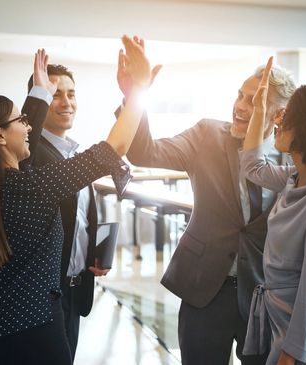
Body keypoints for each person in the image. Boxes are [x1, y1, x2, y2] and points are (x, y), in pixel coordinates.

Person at [0, 35, 150, 365]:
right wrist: (139, 89)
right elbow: (115, 146)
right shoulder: (34, 188)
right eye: (21, 120)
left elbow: (22, 143)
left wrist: (40, 93)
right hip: (36, 334)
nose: (28, 125)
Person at [118, 37, 296, 365]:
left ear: (279, 115)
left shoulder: (295, 157)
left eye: (254, 100)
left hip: (263, 295)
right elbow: (144, 151)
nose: (241, 106)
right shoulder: (206, 134)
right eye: (240, 96)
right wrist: (134, 96)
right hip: (204, 289)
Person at [241, 58, 306, 365]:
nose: (278, 122)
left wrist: (292, 353)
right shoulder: (294, 177)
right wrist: (258, 110)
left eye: (287, 118)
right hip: (280, 325)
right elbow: (252, 165)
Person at [26, 64, 110, 360]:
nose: (66, 102)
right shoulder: (29, 154)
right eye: (55, 94)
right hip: (43, 294)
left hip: (74, 289)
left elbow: (79, 220)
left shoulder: (74, 152)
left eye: (71, 94)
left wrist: (91, 255)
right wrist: (37, 96)